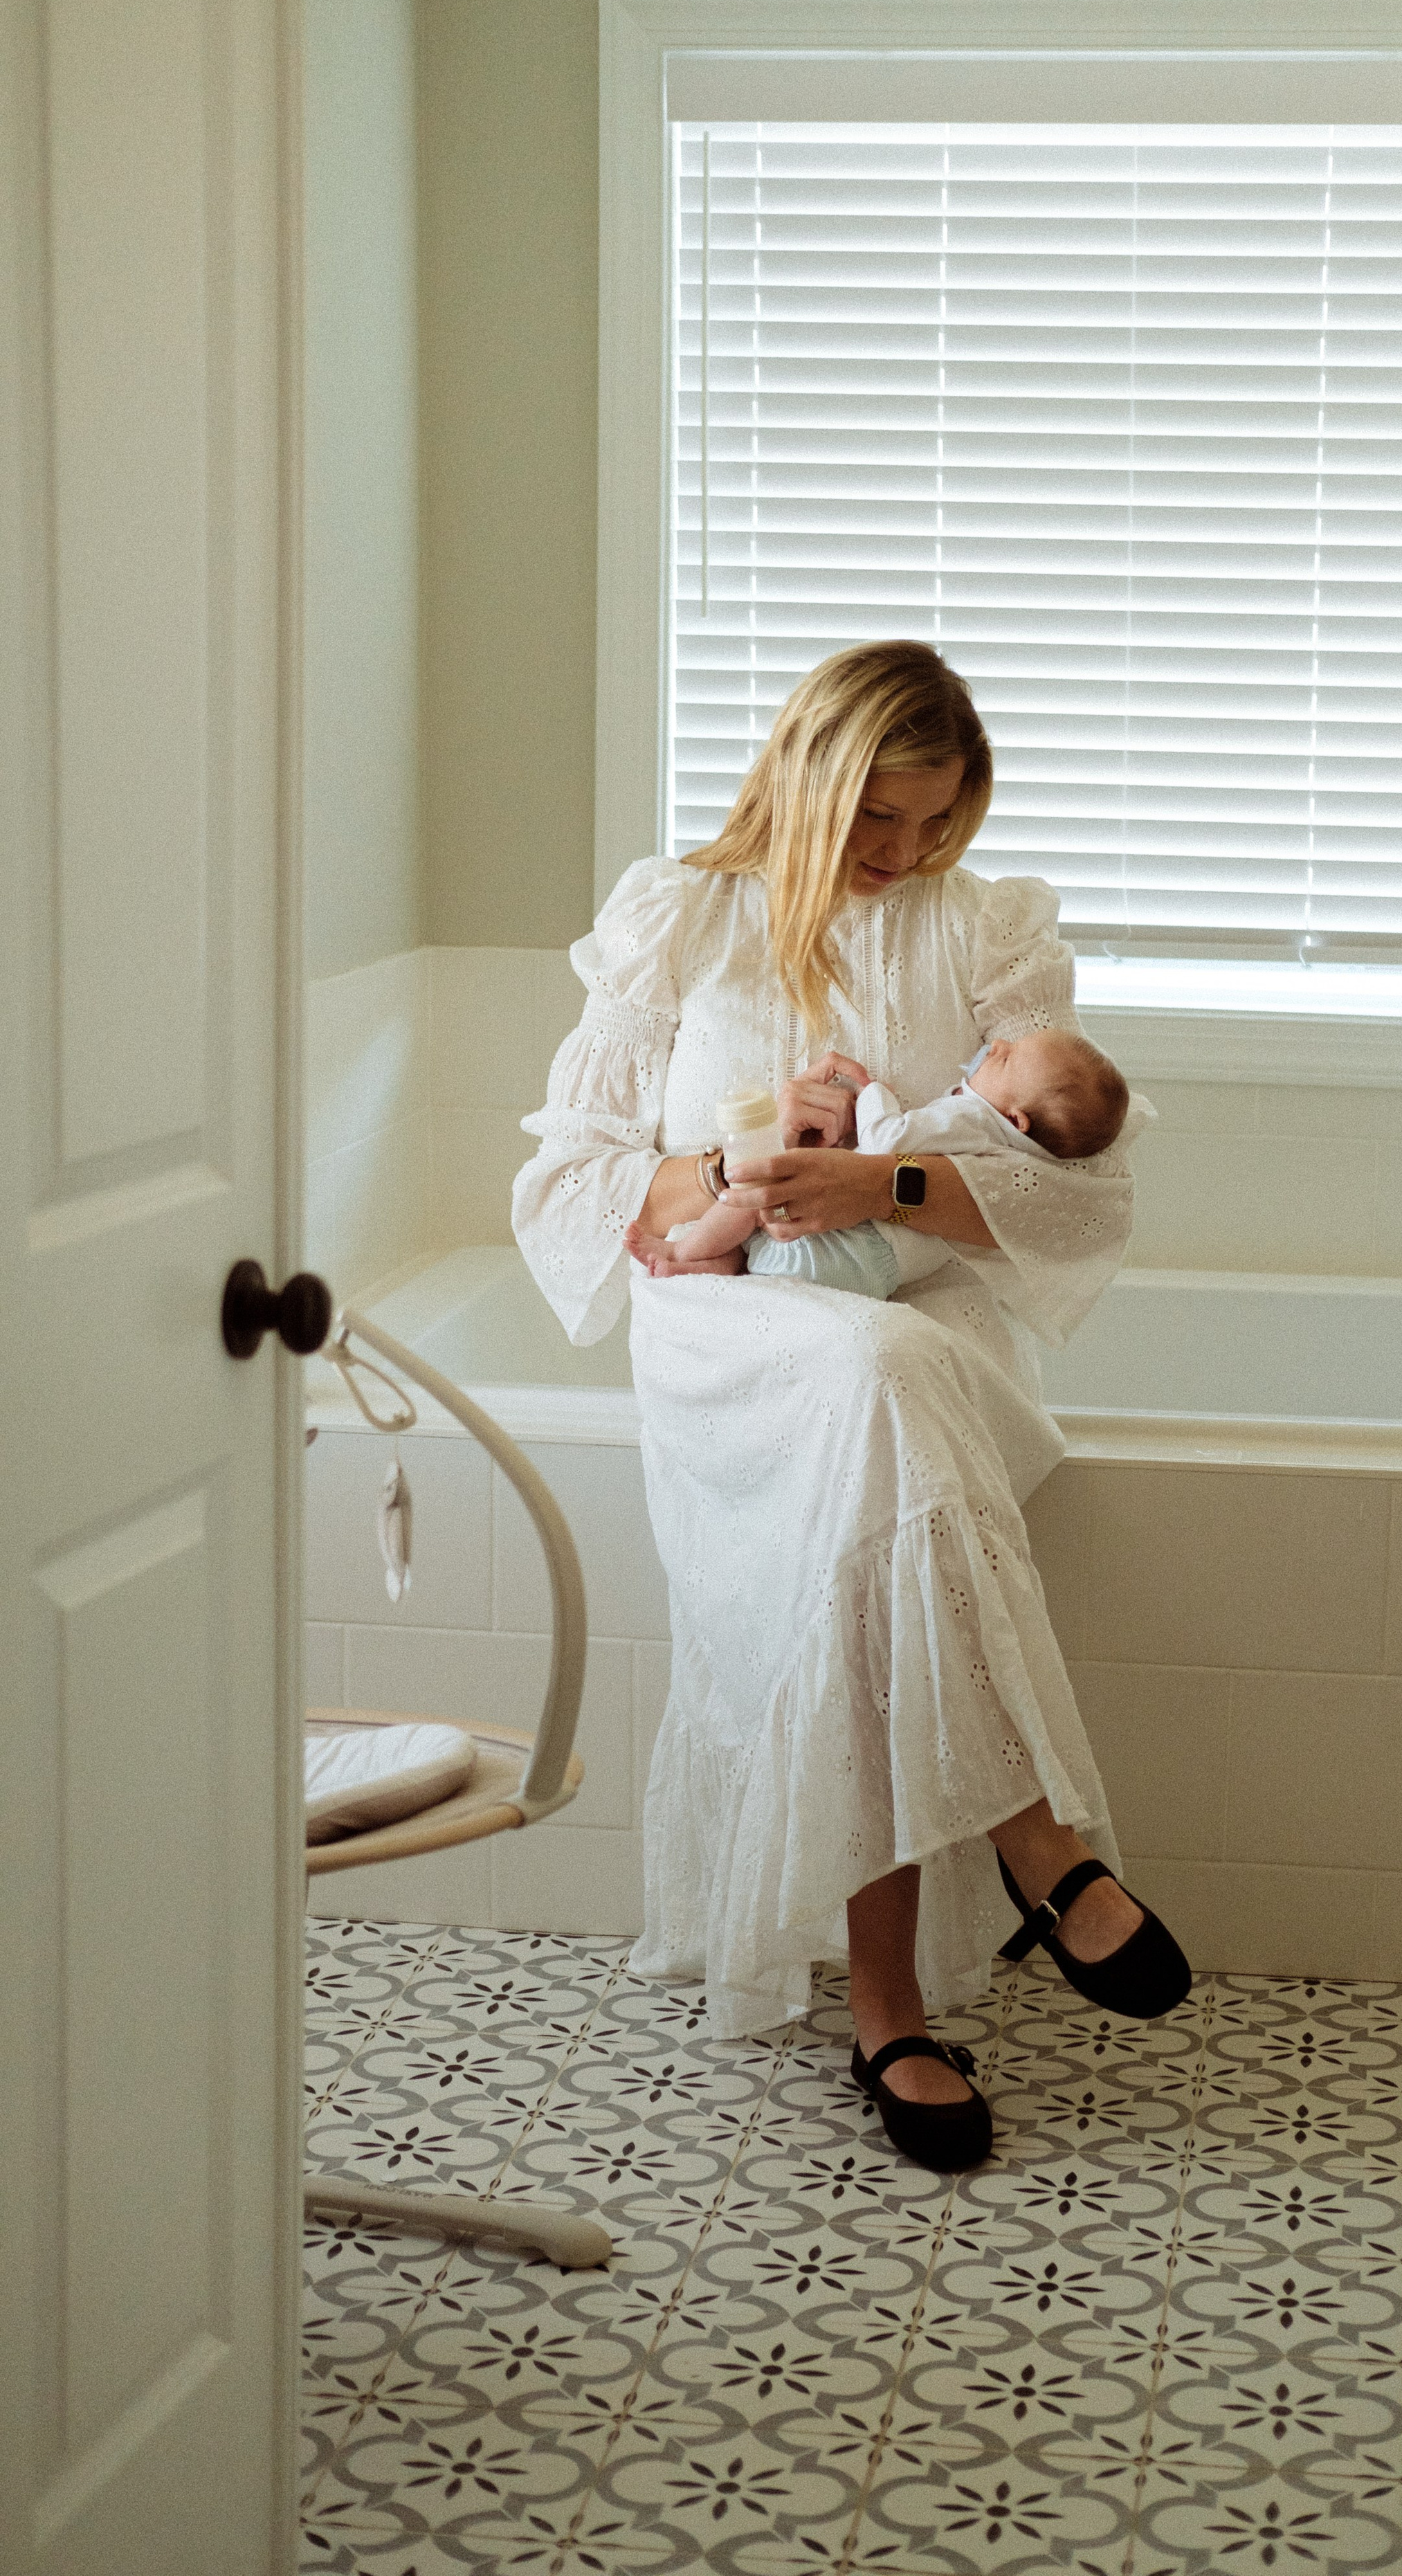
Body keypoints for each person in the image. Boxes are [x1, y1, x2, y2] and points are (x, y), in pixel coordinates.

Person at [513, 640, 1190, 2172]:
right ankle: (1034, 1840)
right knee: (875, 1402)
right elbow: (570, 1183)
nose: (906, 850)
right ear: (806, 778)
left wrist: (879, 1185)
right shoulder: (677, 917)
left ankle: (891, 2002)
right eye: (879, 817)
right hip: (726, 1318)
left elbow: (1074, 1191)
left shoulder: (988, 930)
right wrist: (737, 1173)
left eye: (936, 820)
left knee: (884, 1401)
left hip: (919, 1316)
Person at [622, 1031, 1131, 1297]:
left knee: (757, 1196)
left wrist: (873, 1094)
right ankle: (719, 1262)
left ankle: (684, 1249)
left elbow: (889, 1140)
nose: (995, 1045)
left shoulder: (971, 1118)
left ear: (1017, 1119)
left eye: (1005, 1058)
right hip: (868, 1273)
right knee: (758, 1239)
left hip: (849, 1252)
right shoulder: (1011, 1151)